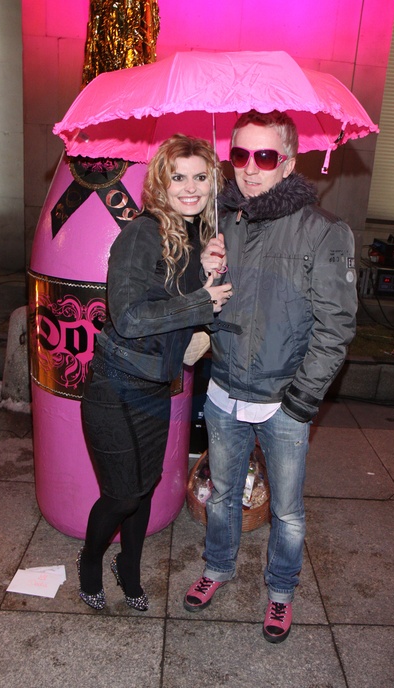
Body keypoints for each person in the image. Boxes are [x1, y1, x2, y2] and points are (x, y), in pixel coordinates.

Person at [184, 111, 357, 643]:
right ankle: (217, 567)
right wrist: (205, 269)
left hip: (283, 401)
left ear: (289, 162)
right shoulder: (222, 223)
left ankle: (281, 591)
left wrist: (301, 401)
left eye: (264, 156)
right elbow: (201, 307)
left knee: (286, 511)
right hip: (223, 393)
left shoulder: (324, 231)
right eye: (240, 154)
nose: (250, 168)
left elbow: (336, 327)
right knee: (221, 494)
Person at [77, 134, 233, 611]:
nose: (191, 188)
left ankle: (129, 568)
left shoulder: (192, 237)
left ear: (213, 183)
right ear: (160, 184)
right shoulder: (141, 233)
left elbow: (186, 313)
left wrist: (207, 274)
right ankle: (89, 563)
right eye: (178, 177)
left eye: (201, 177)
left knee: (143, 489)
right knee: (123, 495)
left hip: (156, 386)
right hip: (116, 384)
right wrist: (200, 299)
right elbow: (128, 318)